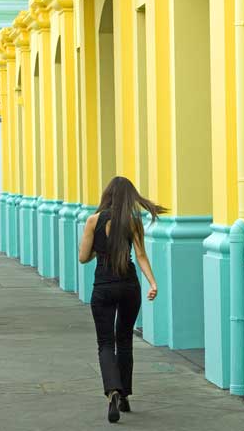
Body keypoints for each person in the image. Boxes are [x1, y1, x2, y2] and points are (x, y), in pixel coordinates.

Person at [78, 176, 167, 424]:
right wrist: (153, 283)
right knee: (124, 340)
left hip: (103, 288)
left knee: (105, 343)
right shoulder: (132, 222)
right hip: (129, 287)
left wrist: (99, 246)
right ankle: (125, 394)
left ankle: (113, 392)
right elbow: (140, 255)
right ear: (130, 197)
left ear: (107, 195)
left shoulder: (93, 221)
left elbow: (83, 257)